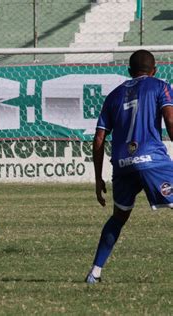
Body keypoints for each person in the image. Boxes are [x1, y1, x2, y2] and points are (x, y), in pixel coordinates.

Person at [85, 49, 173, 284]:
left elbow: (99, 139)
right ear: (154, 70)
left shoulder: (113, 95)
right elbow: (171, 122)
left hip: (122, 165)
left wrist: (97, 179)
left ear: (128, 71)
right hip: (152, 161)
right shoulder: (160, 86)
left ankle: (95, 271)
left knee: (118, 218)